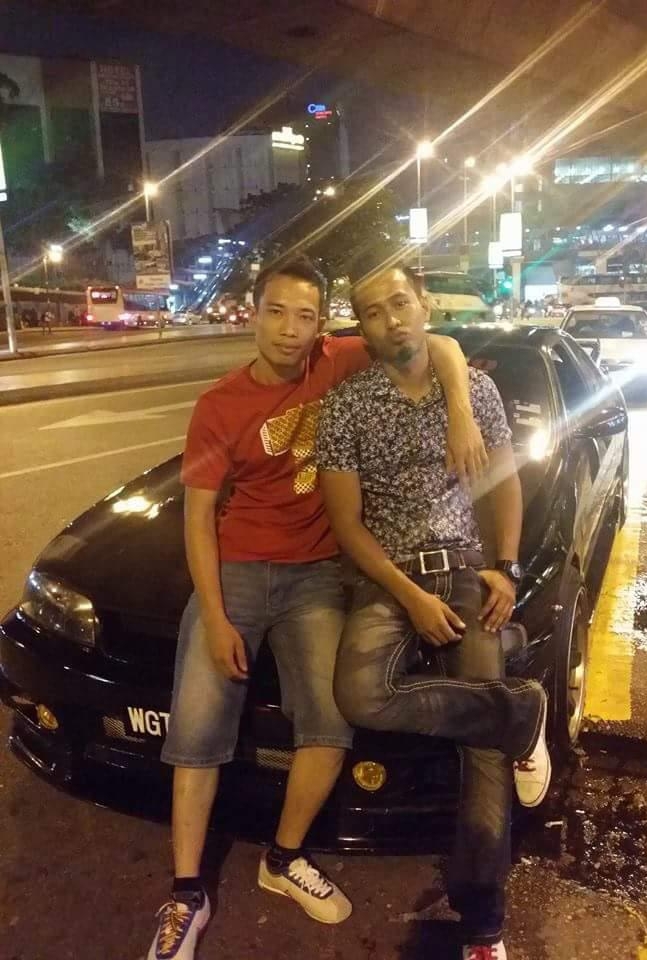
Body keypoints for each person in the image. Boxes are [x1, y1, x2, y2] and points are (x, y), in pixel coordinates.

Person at [146, 253, 488, 960]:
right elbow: (198, 518)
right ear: (253, 313)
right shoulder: (219, 405)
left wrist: (460, 409)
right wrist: (215, 614)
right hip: (238, 571)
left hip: (317, 578)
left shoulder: (337, 360)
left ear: (321, 324)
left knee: (331, 724)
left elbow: (441, 343)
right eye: (275, 311)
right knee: (200, 727)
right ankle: (185, 895)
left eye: (305, 316)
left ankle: (283, 857)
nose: (289, 329)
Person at [316, 261, 551, 960]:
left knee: (481, 751)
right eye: (373, 312)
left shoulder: (474, 388)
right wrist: (411, 596)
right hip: (388, 580)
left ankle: (483, 924)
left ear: (423, 305)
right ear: (363, 329)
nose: (391, 320)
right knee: (358, 693)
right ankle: (517, 708)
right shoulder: (348, 406)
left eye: (400, 303)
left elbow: (504, 481)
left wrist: (506, 565)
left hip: (465, 568)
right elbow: (347, 524)